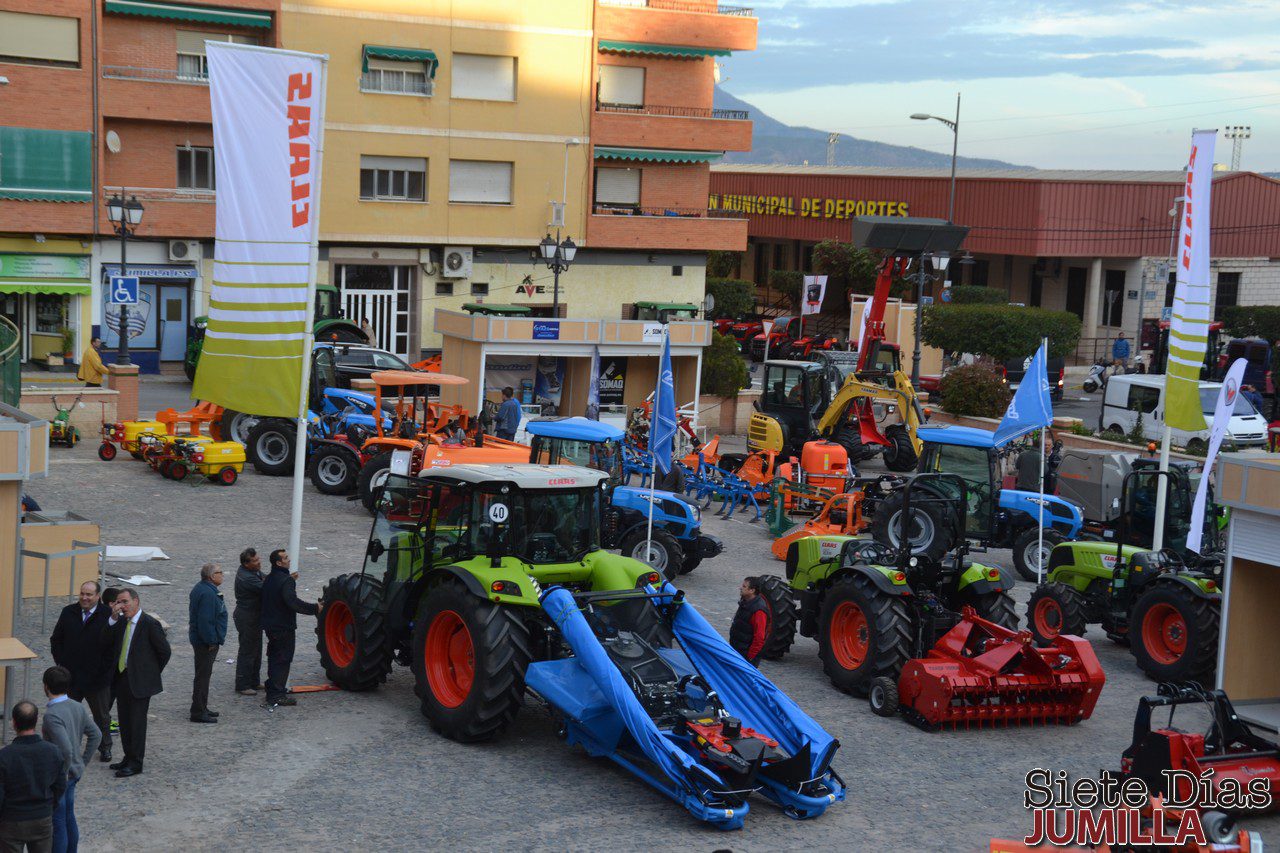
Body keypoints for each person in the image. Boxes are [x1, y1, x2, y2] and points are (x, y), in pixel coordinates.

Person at [104, 589, 170, 778]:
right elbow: (105, 641)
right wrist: (113, 620)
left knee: (137, 723)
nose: (121, 606)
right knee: (124, 721)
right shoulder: (120, 623)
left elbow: (164, 652)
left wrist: (149, 673)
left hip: (140, 682)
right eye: (118, 602)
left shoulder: (149, 624)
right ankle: (127, 756)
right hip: (121, 678)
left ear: (136, 601)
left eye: (125, 602)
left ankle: (136, 762)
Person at [48, 582, 112, 765]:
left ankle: (105, 746)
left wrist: (104, 671)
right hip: (71, 677)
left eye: (89, 594)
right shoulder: (68, 612)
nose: (84, 598)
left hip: (96, 678)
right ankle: (68, 747)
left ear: (98, 596)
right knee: (69, 715)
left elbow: (112, 649)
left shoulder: (107, 615)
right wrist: (61, 663)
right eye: (82, 593)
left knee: (101, 715)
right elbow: (56, 639)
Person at [41, 666, 99, 853]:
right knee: (68, 818)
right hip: (72, 774)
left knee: (58, 823)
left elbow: (65, 749)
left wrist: (63, 773)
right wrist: (81, 763)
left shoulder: (52, 715)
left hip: (61, 777)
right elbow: (96, 735)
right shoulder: (77, 706)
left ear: (46, 687)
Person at [0, 701, 65, 853]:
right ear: (36, 721)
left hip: (12, 820)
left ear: (14, 723)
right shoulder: (53, 752)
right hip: (42, 817)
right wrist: (49, 806)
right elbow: (60, 785)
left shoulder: (4, 756)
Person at [260, 549, 318, 709]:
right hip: (283, 627)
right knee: (282, 660)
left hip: (271, 626)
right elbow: (293, 602)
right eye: (285, 558)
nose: (289, 560)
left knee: (274, 658)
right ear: (278, 562)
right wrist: (315, 608)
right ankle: (277, 695)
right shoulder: (286, 581)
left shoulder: (270, 578)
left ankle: (272, 690)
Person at [188, 564, 227, 724]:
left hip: (202, 639)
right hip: (205, 642)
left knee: (203, 676)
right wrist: (211, 640)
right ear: (211, 576)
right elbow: (206, 620)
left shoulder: (202, 589)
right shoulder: (208, 594)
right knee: (203, 677)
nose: (222, 574)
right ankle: (198, 711)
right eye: (219, 572)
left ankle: (202, 707)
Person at [233, 548, 265, 696]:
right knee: (247, 651)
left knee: (256, 650)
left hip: (254, 615)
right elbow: (268, 588)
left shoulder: (253, 572)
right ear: (246, 564)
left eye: (258, 559)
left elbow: (267, 578)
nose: (259, 562)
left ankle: (254, 681)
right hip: (247, 617)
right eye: (255, 561)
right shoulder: (247, 577)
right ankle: (243, 684)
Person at [728, 577, 770, 667]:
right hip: (738, 651)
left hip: (746, 657)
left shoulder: (759, 611)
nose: (740, 588)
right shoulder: (745, 602)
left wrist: (749, 658)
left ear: (752, 590)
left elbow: (759, 638)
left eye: (744, 586)